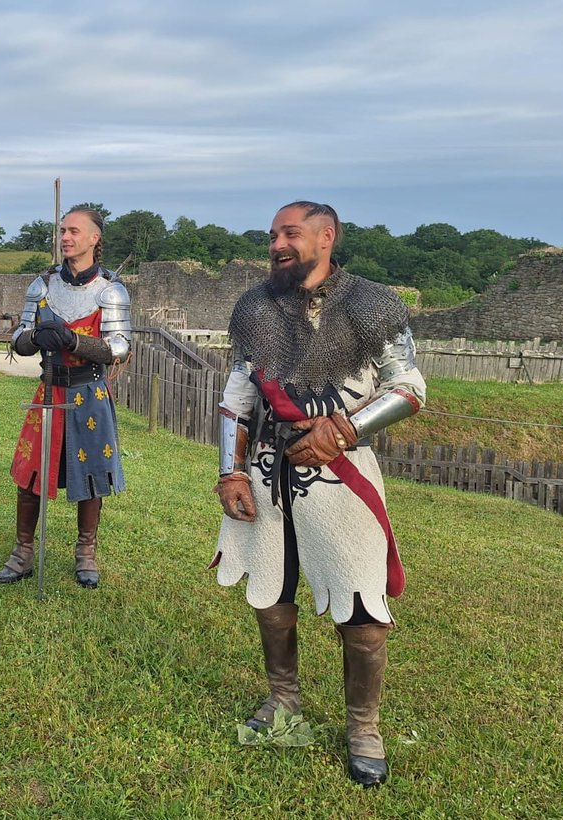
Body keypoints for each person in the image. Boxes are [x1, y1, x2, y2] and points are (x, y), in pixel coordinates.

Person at [211, 201, 426, 787]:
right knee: (271, 596)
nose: (277, 243)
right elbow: (237, 395)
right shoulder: (254, 307)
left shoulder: (370, 303)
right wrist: (230, 471)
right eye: (272, 235)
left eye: (291, 233)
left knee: (361, 610)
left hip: (341, 475)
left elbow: (409, 387)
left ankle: (363, 726)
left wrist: (346, 428)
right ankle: (285, 705)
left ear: (326, 237)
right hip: (262, 470)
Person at [0, 208, 131, 589]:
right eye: (62, 231)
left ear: (94, 239)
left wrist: (74, 341)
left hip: (89, 392)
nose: (65, 237)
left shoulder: (110, 289)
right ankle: (22, 553)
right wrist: (36, 337)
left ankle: (86, 552)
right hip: (48, 389)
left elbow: (120, 347)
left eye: (74, 231)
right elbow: (19, 339)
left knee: (91, 478)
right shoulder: (42, 285)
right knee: (30, 474)